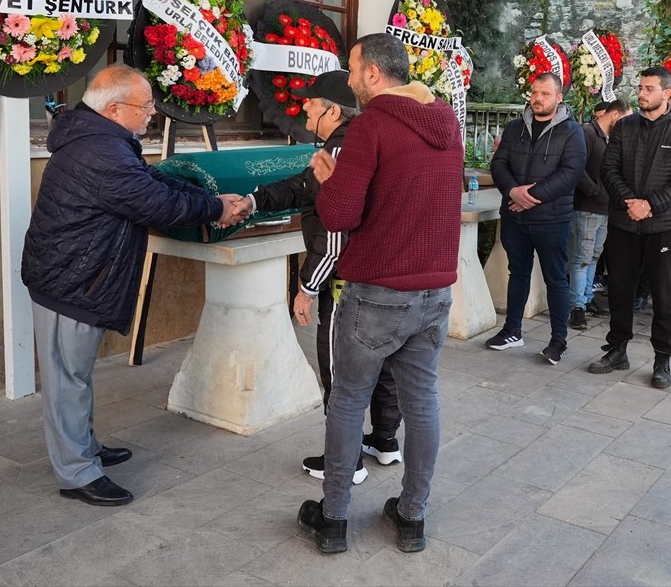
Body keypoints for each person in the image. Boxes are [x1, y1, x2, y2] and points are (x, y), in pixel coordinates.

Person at [21, 65, 245, 506]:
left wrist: (207, 198)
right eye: (146, 107)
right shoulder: (100, 151)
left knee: (76, 375)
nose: (152, 114)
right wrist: (216, 206)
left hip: (76, 274)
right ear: (115, 108)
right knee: (68, 378)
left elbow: (153, 182)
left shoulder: (103, 140)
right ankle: (77, 473)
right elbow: (154, 202)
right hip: (69, 280)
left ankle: (83, 449)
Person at [298, 33, 462, 554]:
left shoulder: (370, 127)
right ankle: (411, 517)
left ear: (372, 73)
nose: (348, 80)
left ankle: (334, 520)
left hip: (377, 294)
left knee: (348, 400)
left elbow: (341, 215)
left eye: (351, 69)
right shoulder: (448, 123)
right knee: (423, 402)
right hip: (434, 291)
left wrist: (329, 180)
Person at [244, 71, 399, 484]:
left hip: (343, 282)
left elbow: (333, 232)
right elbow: (305, 186)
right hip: (376, 279)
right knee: (379, 362)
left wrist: (307, 288)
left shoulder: (344, 147)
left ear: (332, 109)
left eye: (310, 102)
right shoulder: (348, 142)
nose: (304, 108)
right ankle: (384, 441)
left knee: (338, 373)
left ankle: (344, 463)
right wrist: (256, 199)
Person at [588, 67, 671, 389]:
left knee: (663, 297)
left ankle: (662, 359)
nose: (642, 93)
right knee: (620, 291)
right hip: (625, 223)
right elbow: (608, 170)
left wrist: (649, 205)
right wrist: (629, 203)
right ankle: (617, 350)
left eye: (649, 88)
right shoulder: (624, 126)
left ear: (666, 93)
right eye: (640, 87)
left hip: (664, 226)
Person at [485, 72, 587, 363]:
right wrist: (512, 191)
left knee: (556, 278)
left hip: (551, 219)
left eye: (544, 94)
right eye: (534, 93)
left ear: (558, 98)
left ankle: (558, 340)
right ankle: (512, 330)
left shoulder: (572, 131)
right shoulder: (516, 127)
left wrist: (530, 197)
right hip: (515, 217)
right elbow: (499, 162)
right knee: (517, 273)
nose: (537, 99)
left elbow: (571, 173)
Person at [569, 98, 631, 329]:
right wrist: (593, 190)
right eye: (625, 119)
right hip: (587, 206)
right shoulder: (586, 133)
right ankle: (577, 307)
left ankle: (586, 298)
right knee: (582, 258)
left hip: (607, 208)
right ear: (615, 115)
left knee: (594, 256)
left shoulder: (613, 137)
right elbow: (576, 167)